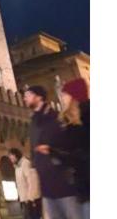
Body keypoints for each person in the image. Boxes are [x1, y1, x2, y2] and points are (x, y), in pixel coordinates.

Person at [24, 85, 82, 219]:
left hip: (64, 185)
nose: (24, 98)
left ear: (39, 97)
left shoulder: (56, 118)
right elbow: (34, 153)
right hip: (47, 188)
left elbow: (70, 148)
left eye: (28, 95)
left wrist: (52, 152)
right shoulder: (33, 122)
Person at [36, 79, 90, 219]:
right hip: (83, 188)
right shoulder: (72, 121)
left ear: (74, 96)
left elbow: (80, 156)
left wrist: (53, 152)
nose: (62, 97)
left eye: (65, 94)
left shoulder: (83, 120)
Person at [8, 148, 42, 219]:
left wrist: (30, 198)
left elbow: (32, 181)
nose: (10, 158)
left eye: (11, 155)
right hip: (24, 199)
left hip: (31, 199)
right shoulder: (17, 167)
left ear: (15, 155)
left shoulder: (25, 163)